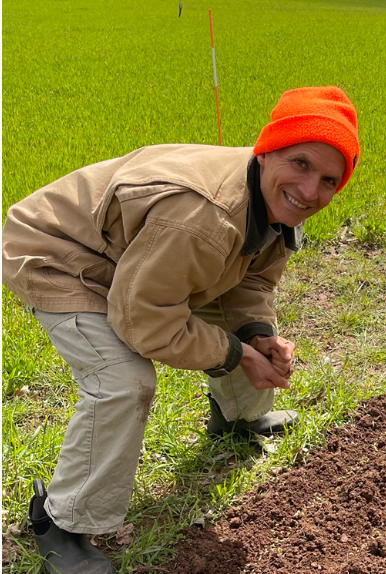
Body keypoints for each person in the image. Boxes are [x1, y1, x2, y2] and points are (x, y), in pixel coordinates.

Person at [2, 86, 360, 574]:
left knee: (247, 335)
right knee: (123, 382)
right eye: (300, 163)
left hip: (143, 261)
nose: (311, 190)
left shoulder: (275, 203)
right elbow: (143, 321)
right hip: (63, 257)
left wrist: (255, 335)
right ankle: (60, 524)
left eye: (329, 180)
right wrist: (234, 355)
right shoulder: (205, 218)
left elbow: (250, 277)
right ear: (266, 151)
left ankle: (236, 417)